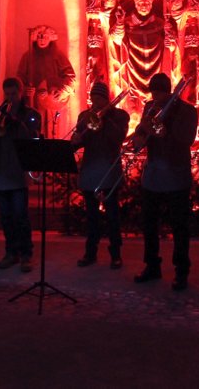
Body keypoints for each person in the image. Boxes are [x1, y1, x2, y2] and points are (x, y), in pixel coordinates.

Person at [131, 73, 198, 290]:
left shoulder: (187, 110)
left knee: (179, 226)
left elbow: (186, 138)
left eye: (159, 92)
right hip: (153, 174)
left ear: (169, 91)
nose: (156, 96)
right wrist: (139, 137)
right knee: (149, 224)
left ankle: (181, 271)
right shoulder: (150, 107)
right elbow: (142, 131)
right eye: (153, 92)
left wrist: (162, 131)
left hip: (176, 173)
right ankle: (152, 266)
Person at [70, 81, 130, 269]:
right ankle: (90, 253)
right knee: (92, 217)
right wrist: (76, 140)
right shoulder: (84, 116)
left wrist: (105, 120)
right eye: (93, 98)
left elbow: (119, 138)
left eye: (99, 99)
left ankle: (116, 254)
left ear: (106, 99)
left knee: (113, 216)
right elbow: (78, 142)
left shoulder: (120, 116)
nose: (95, 102)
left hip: (110, 172)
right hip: (90, 171)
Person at [0, 77, 41, 272]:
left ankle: (26, 254)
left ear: (21, 92)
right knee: (6, 217)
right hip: (0, 170)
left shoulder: (31, 114)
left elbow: (32, 139)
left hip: (18, 172)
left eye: (13, 94)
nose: (10, 98)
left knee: (21, 216)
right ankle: (11, 252)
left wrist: (16, 122)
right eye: (7, 94)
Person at [17, 25, 76, 138]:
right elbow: (19, 77)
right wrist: (25, 89)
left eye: (45, 36)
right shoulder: (27, 57)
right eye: (39, 36)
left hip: (53, 104)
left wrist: (61, 90)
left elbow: (71, 77)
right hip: (33, 103)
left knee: (54, 134)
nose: (42, 39)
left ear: (51, 38)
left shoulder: (58, 56)